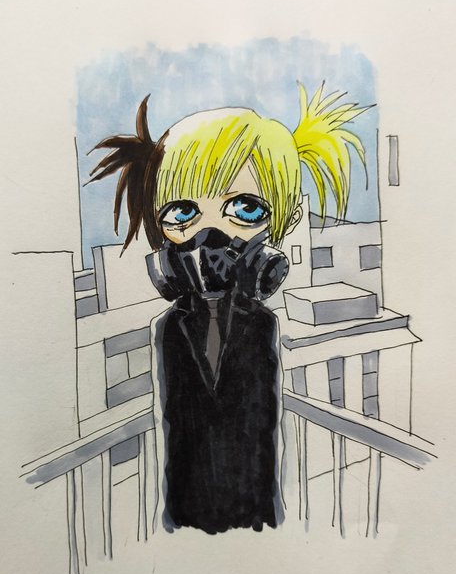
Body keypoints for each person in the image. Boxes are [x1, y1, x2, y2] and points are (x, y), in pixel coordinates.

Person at [88, 83, 368, 533]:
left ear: (285, 220)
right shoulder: (169, 326)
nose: (211, 235)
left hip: (255, 512)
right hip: (184, 511)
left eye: (245, 209)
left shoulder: (262, 323)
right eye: (182, 213)